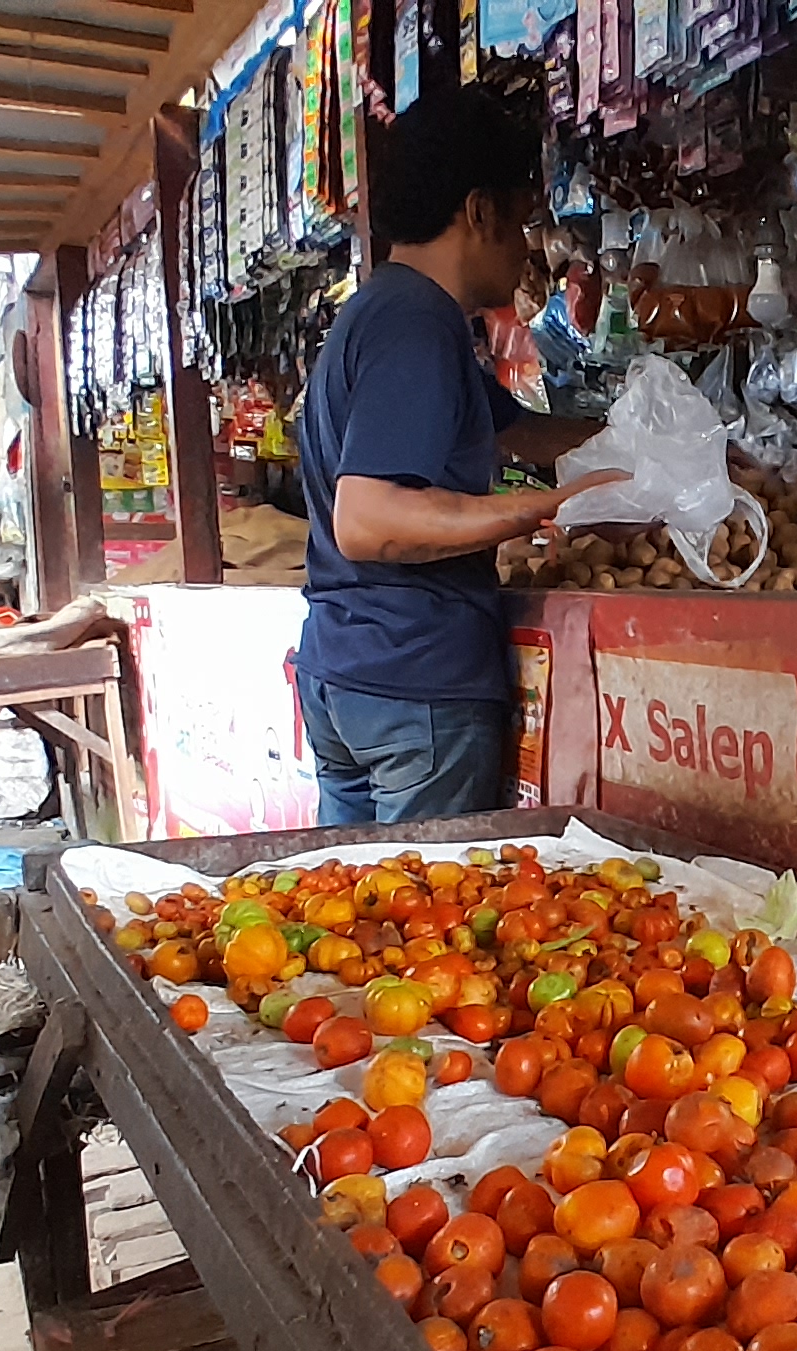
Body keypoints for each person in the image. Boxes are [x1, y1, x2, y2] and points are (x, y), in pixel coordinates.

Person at [293, 85, 609, 824]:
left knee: (352, 924)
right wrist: (532, 511)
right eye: (522, 221)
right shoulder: (417, 326)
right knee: (421, 929)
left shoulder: (382, 310)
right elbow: (368, 520)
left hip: (350, 675)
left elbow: (522, 433)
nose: (527, 248)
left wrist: (669, 456)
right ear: (478, 212)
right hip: (415, 683)